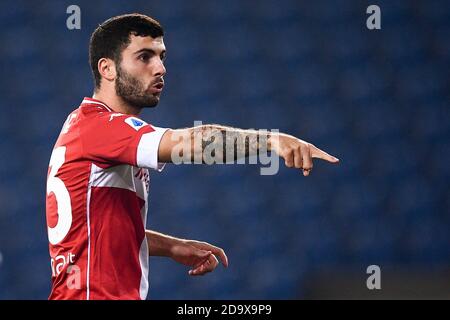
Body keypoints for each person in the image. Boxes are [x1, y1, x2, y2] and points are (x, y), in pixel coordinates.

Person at [46, 13, 339, 300]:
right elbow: (194, 143)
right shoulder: (103, 128)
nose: (160, 68)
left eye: (162, 56)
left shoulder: (87, 127)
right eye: (145, 57)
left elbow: (98, 233)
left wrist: (173, 247)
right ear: (107, 68)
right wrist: (272, 140)